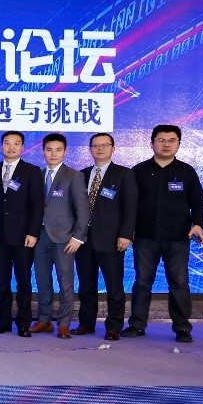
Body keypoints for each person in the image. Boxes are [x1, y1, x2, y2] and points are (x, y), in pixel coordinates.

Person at [123, 124, 203, 344]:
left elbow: (198, 202)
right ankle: (137, 324)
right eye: (161, 140)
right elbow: (128, 205)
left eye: (171, 140)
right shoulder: (138, 171)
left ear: (179, 144)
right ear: (152, 143)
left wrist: (198, 224)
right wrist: (127, 232)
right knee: (142, 282)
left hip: (178, 237)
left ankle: (182, 327)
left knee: (179, 283)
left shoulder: (187, 171)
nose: (166, 144)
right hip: (145, 237)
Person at [73, 132, 137, 341]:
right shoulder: (81, 174)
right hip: (83, 239)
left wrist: (126, 234)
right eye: (95, 145)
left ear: (113, 148)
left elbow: (130, 207)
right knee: (86, 285)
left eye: (105, 145)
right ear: (90, 149)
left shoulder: (124, 174)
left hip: (111, 239)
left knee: (114, 286)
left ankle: (114, 326)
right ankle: (86, 323)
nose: (100, 149)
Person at [31, 133, 88, 339]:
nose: (53, 154)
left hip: (65, 238)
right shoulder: (37, 175)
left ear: (65, 152)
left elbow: (83, 210)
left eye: (58, 150)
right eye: (49, 150)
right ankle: (44, 320)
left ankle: (64, 323)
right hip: (40, 237)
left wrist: (78, 237)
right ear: (43, 152)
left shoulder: (74, 175)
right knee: (42, 280)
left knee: (65, 282)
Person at [0, 130, 44, 337]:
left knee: (23, 281)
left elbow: (37, 206)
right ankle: (3, 321)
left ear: (22, 147)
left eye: (16, 143)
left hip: (23, 236)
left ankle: (23, 322)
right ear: (1, 146)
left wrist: (33, 232)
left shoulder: (32, 171)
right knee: (1, 280)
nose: (11, 147)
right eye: (7, 143)